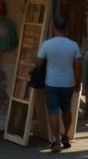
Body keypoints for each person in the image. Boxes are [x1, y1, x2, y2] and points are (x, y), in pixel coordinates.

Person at [35, 17, 82, 152]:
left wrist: (34, 55)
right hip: (68, 83)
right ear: (65, 29)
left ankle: (57, 141)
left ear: (53, 28)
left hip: (52, 83)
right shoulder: (73, 45)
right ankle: (66, 135)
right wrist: (78, 82)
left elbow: (38, 63)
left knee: (53, 111)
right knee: (66, 110)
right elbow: (78, 66)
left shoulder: (47, 44)